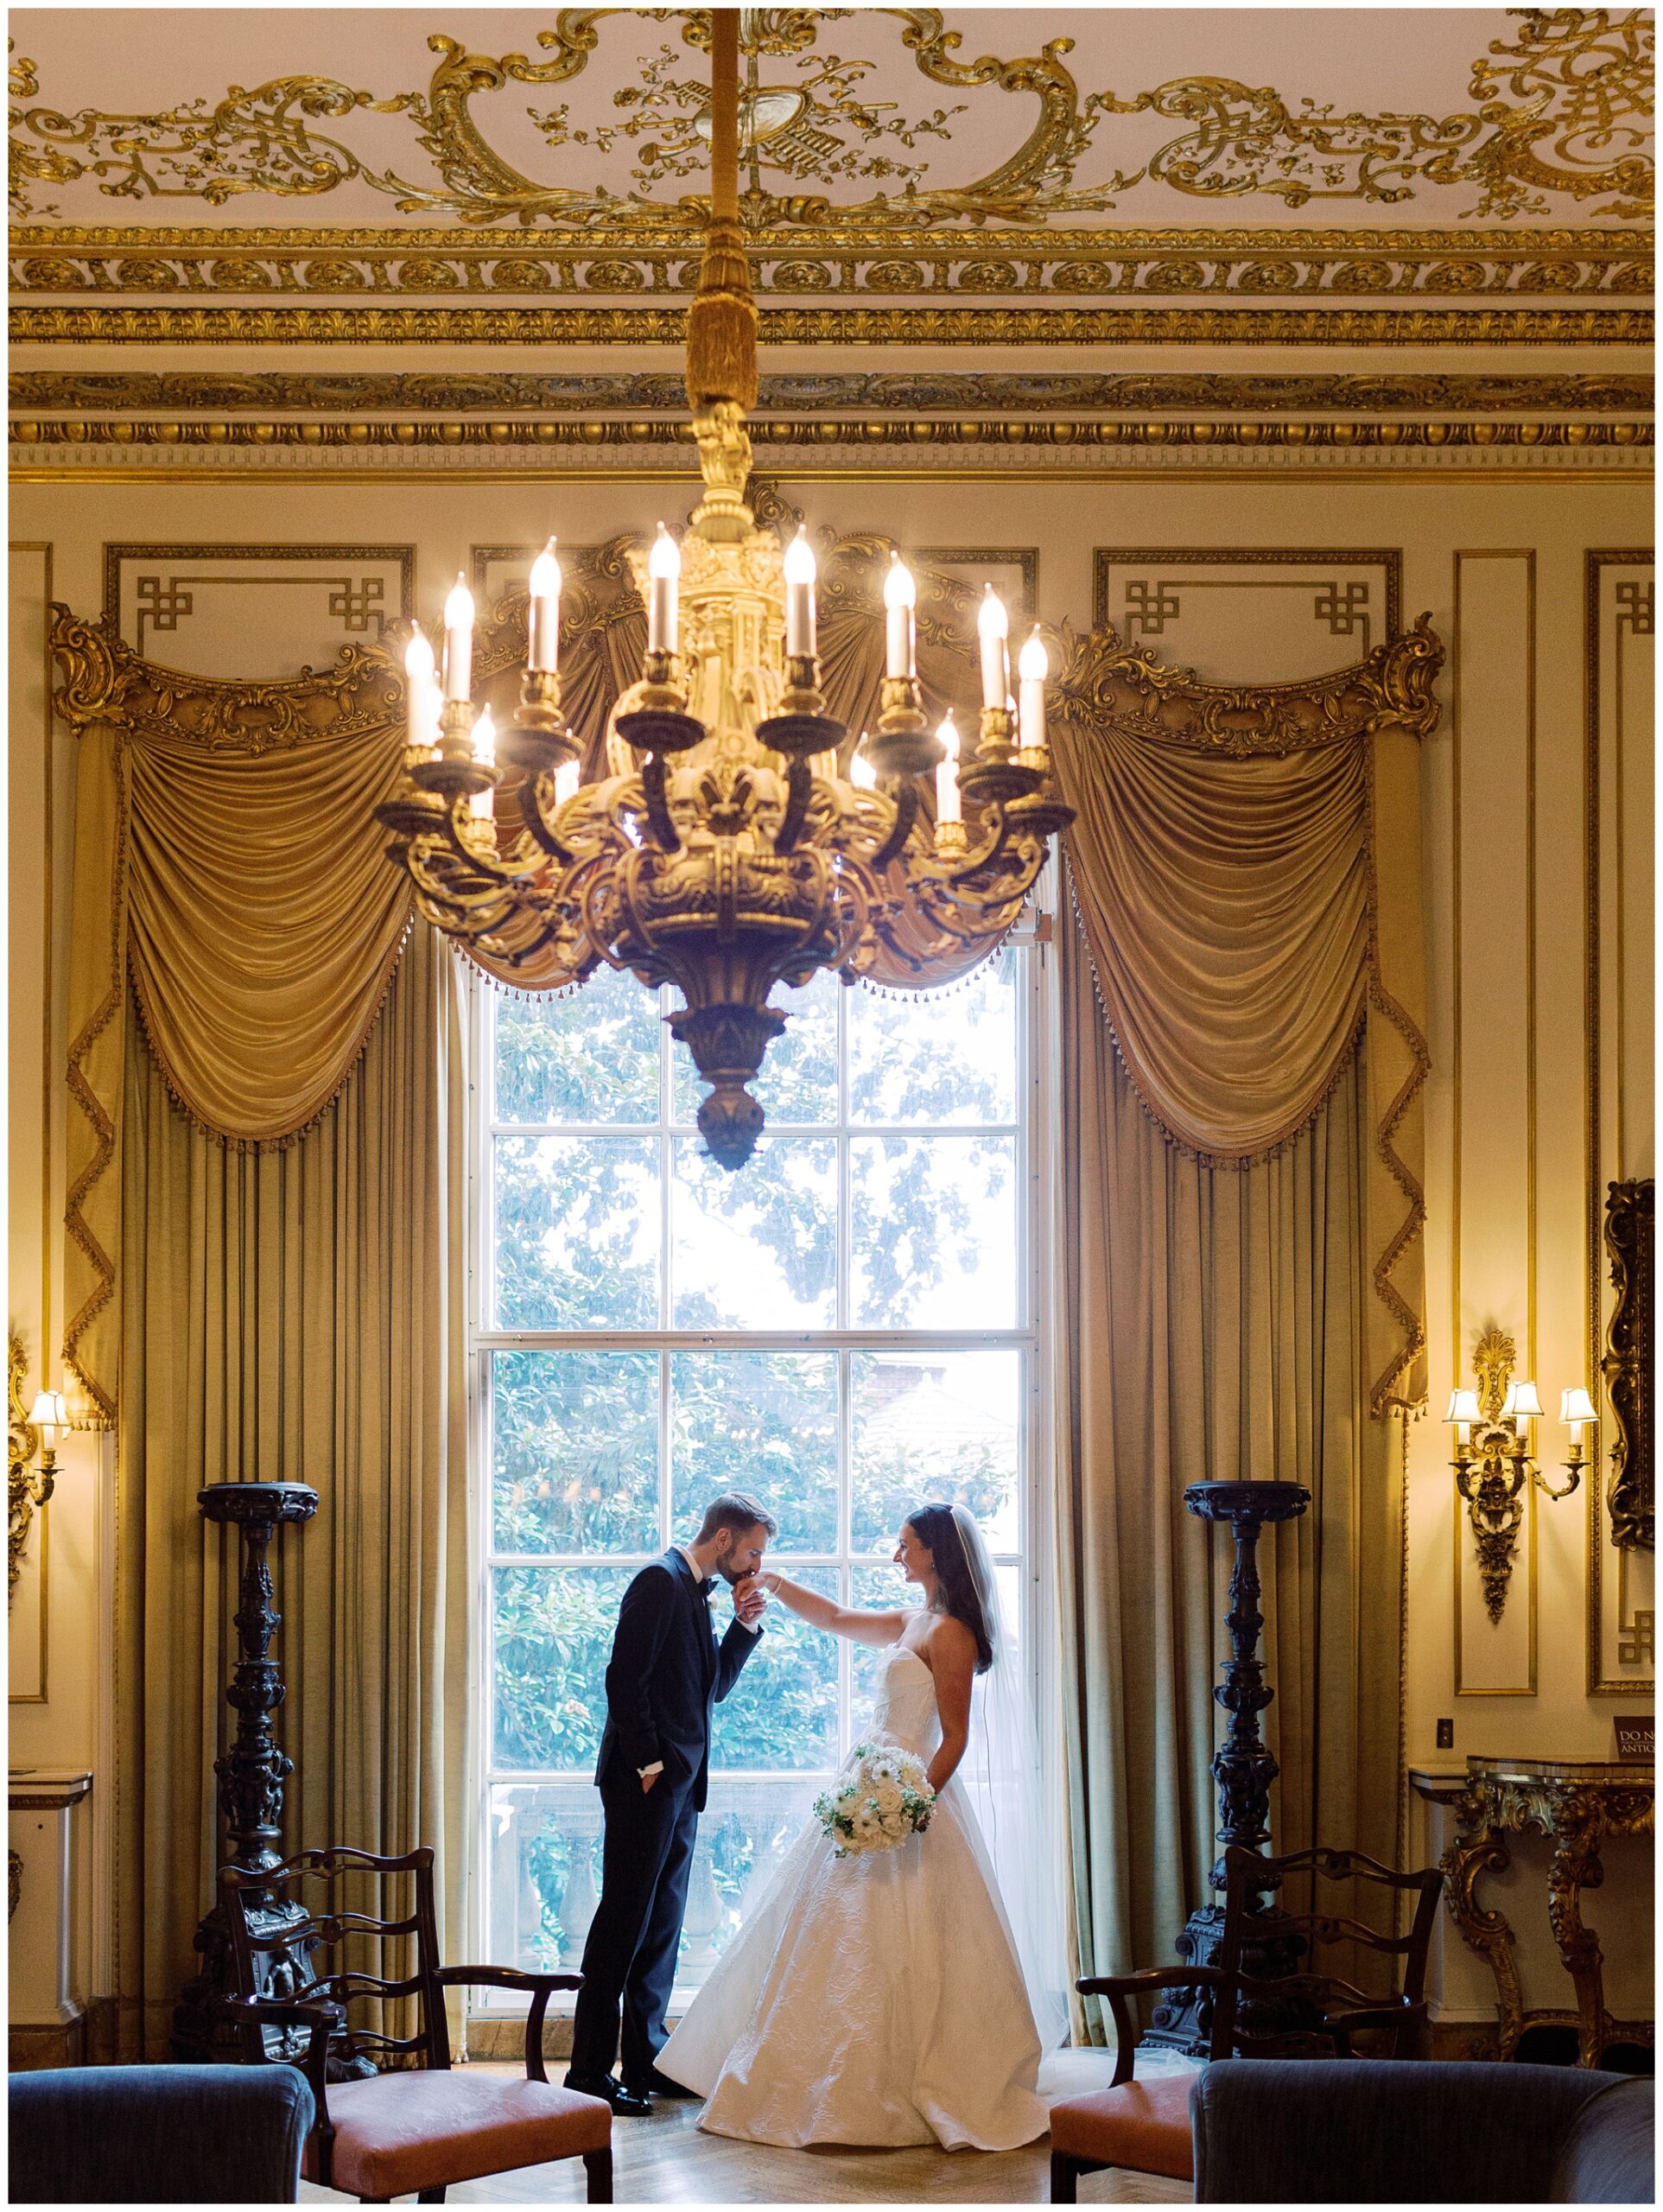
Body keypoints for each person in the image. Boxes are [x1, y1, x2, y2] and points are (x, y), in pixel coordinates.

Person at [656, 1502, 1067, 2151]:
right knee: (822, 1934)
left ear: (935, 1552)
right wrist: (775, 1584)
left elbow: (954, 1738)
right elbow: (836, 1619)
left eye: (905, 1545)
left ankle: (902, 2080)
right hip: (862, 1787)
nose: (895, 1555)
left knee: (908, 1945)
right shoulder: (912, 1621)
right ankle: (809, 2072)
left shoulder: (951, 1632)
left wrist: (910, 1807)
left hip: (910, 1801)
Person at [563, 1492, 774, 2113]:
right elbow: (623, 1678)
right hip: (645, 1782)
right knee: (621, 1926)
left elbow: (711, 1690)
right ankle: (587, 2073)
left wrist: (744, 1627)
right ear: (725, 1539)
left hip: (682, 1785)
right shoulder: (659, 1581)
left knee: (662, 1927)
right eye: (754, 1551)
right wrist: (649, 1763)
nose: (757, 1563)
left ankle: (646, 2059)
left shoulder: (697, 1588)